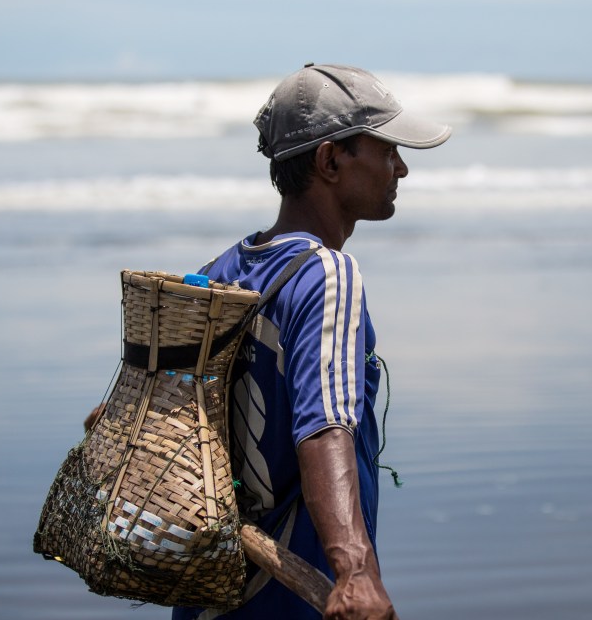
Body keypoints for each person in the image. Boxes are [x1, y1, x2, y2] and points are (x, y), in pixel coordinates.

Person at [174, 63, 452, 620]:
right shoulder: (327, 275)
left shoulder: (215, 273)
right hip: (290, 603)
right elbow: (324, 427)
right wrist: (355, 572)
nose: (401, 167)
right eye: (387, 150)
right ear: (329, 161)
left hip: (206, 601)